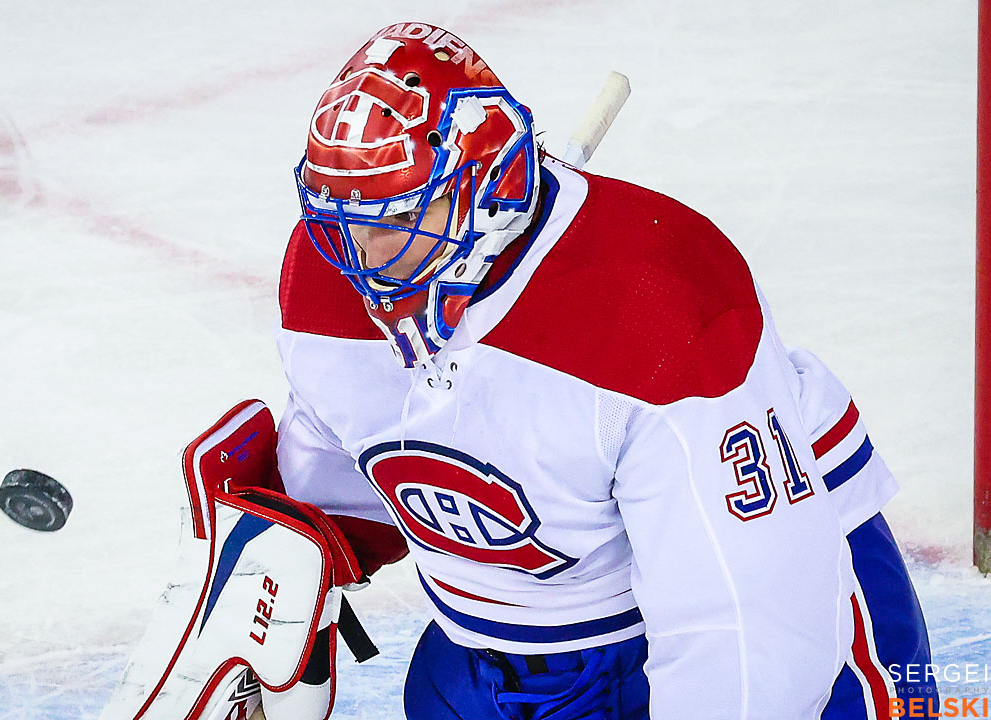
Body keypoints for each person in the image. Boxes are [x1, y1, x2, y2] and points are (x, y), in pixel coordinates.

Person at [272, 21, 939, 720]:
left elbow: (745, 621)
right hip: (512, 646)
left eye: (404, 213)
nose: (363, 253)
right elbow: (346, 462)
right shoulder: (325, 274)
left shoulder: (656, 305)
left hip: (793, 607)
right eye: (341, 214)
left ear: (486, 182)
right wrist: (291, 545)